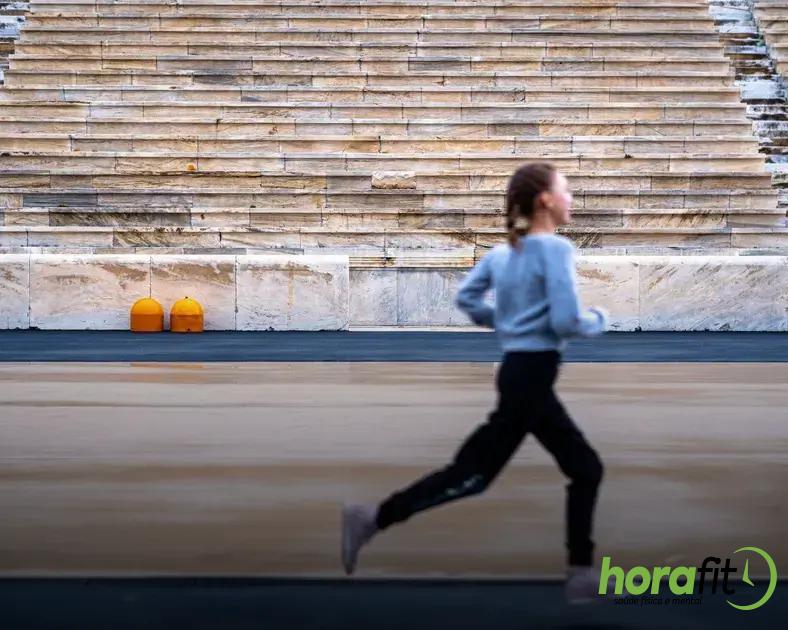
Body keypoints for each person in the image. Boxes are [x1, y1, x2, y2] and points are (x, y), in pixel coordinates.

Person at [341, 162, 612, 605]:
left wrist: (504, 324)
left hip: (520, 371)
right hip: (530, 374)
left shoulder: (503, 254)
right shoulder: (555, 252)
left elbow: (467, 299)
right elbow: (566, 320)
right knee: (474, 474)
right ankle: (371, 518)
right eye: (566, 190)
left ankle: (581, 573)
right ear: (545, 200)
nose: (572, 199)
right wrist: (598, 320)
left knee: (582, 468)